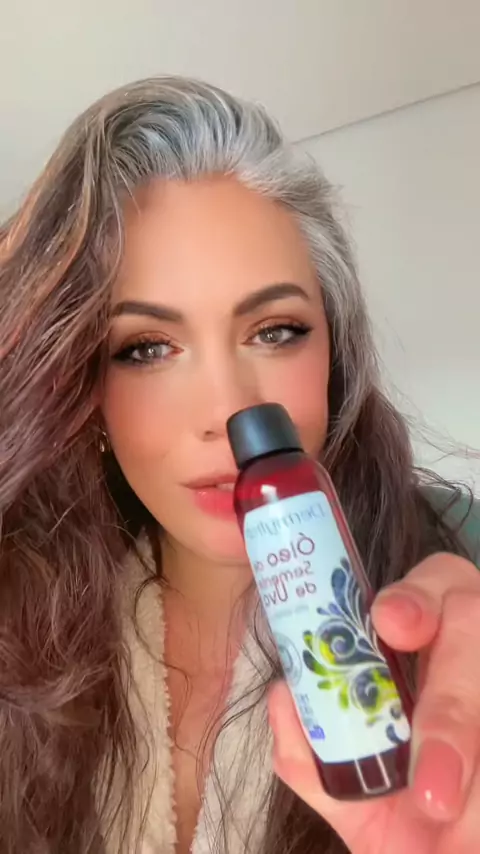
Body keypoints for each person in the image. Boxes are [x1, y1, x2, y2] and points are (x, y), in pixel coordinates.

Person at [0, 76, 479, 854]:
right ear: (84, 394)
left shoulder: (451, 582)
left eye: (275, 331)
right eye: (146, 348)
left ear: (335, 359)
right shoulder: (22, 625)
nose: (229, 409)